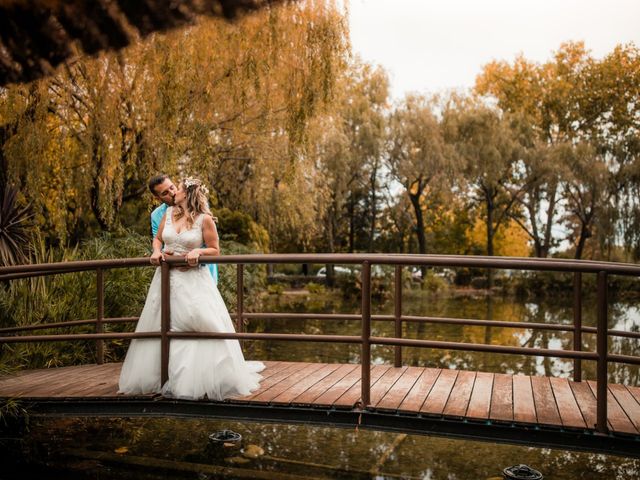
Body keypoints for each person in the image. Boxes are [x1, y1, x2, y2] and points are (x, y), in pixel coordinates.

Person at [118, 177, 264, 400]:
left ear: (187, 194)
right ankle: (161, 377)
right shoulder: (165, 214)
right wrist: (156, 252)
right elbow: (158, 240)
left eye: (176, 188)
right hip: (166, 280)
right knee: (163, 323)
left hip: (193, 281)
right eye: (167, 191)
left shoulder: (204, 220)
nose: (174, 191)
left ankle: (200, 378)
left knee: (199, 323)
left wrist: (198, 252)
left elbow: (215, 249)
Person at [148, 174, 218, 283]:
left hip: (199, 270)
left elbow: (208, 243)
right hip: (170, 271)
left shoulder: (199, 210)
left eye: (172, 187)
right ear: (158, 198)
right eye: (165, 193)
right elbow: (158, 239)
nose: (172, 193)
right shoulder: (158, 215)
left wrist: (193, 258)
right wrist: (159, 252)